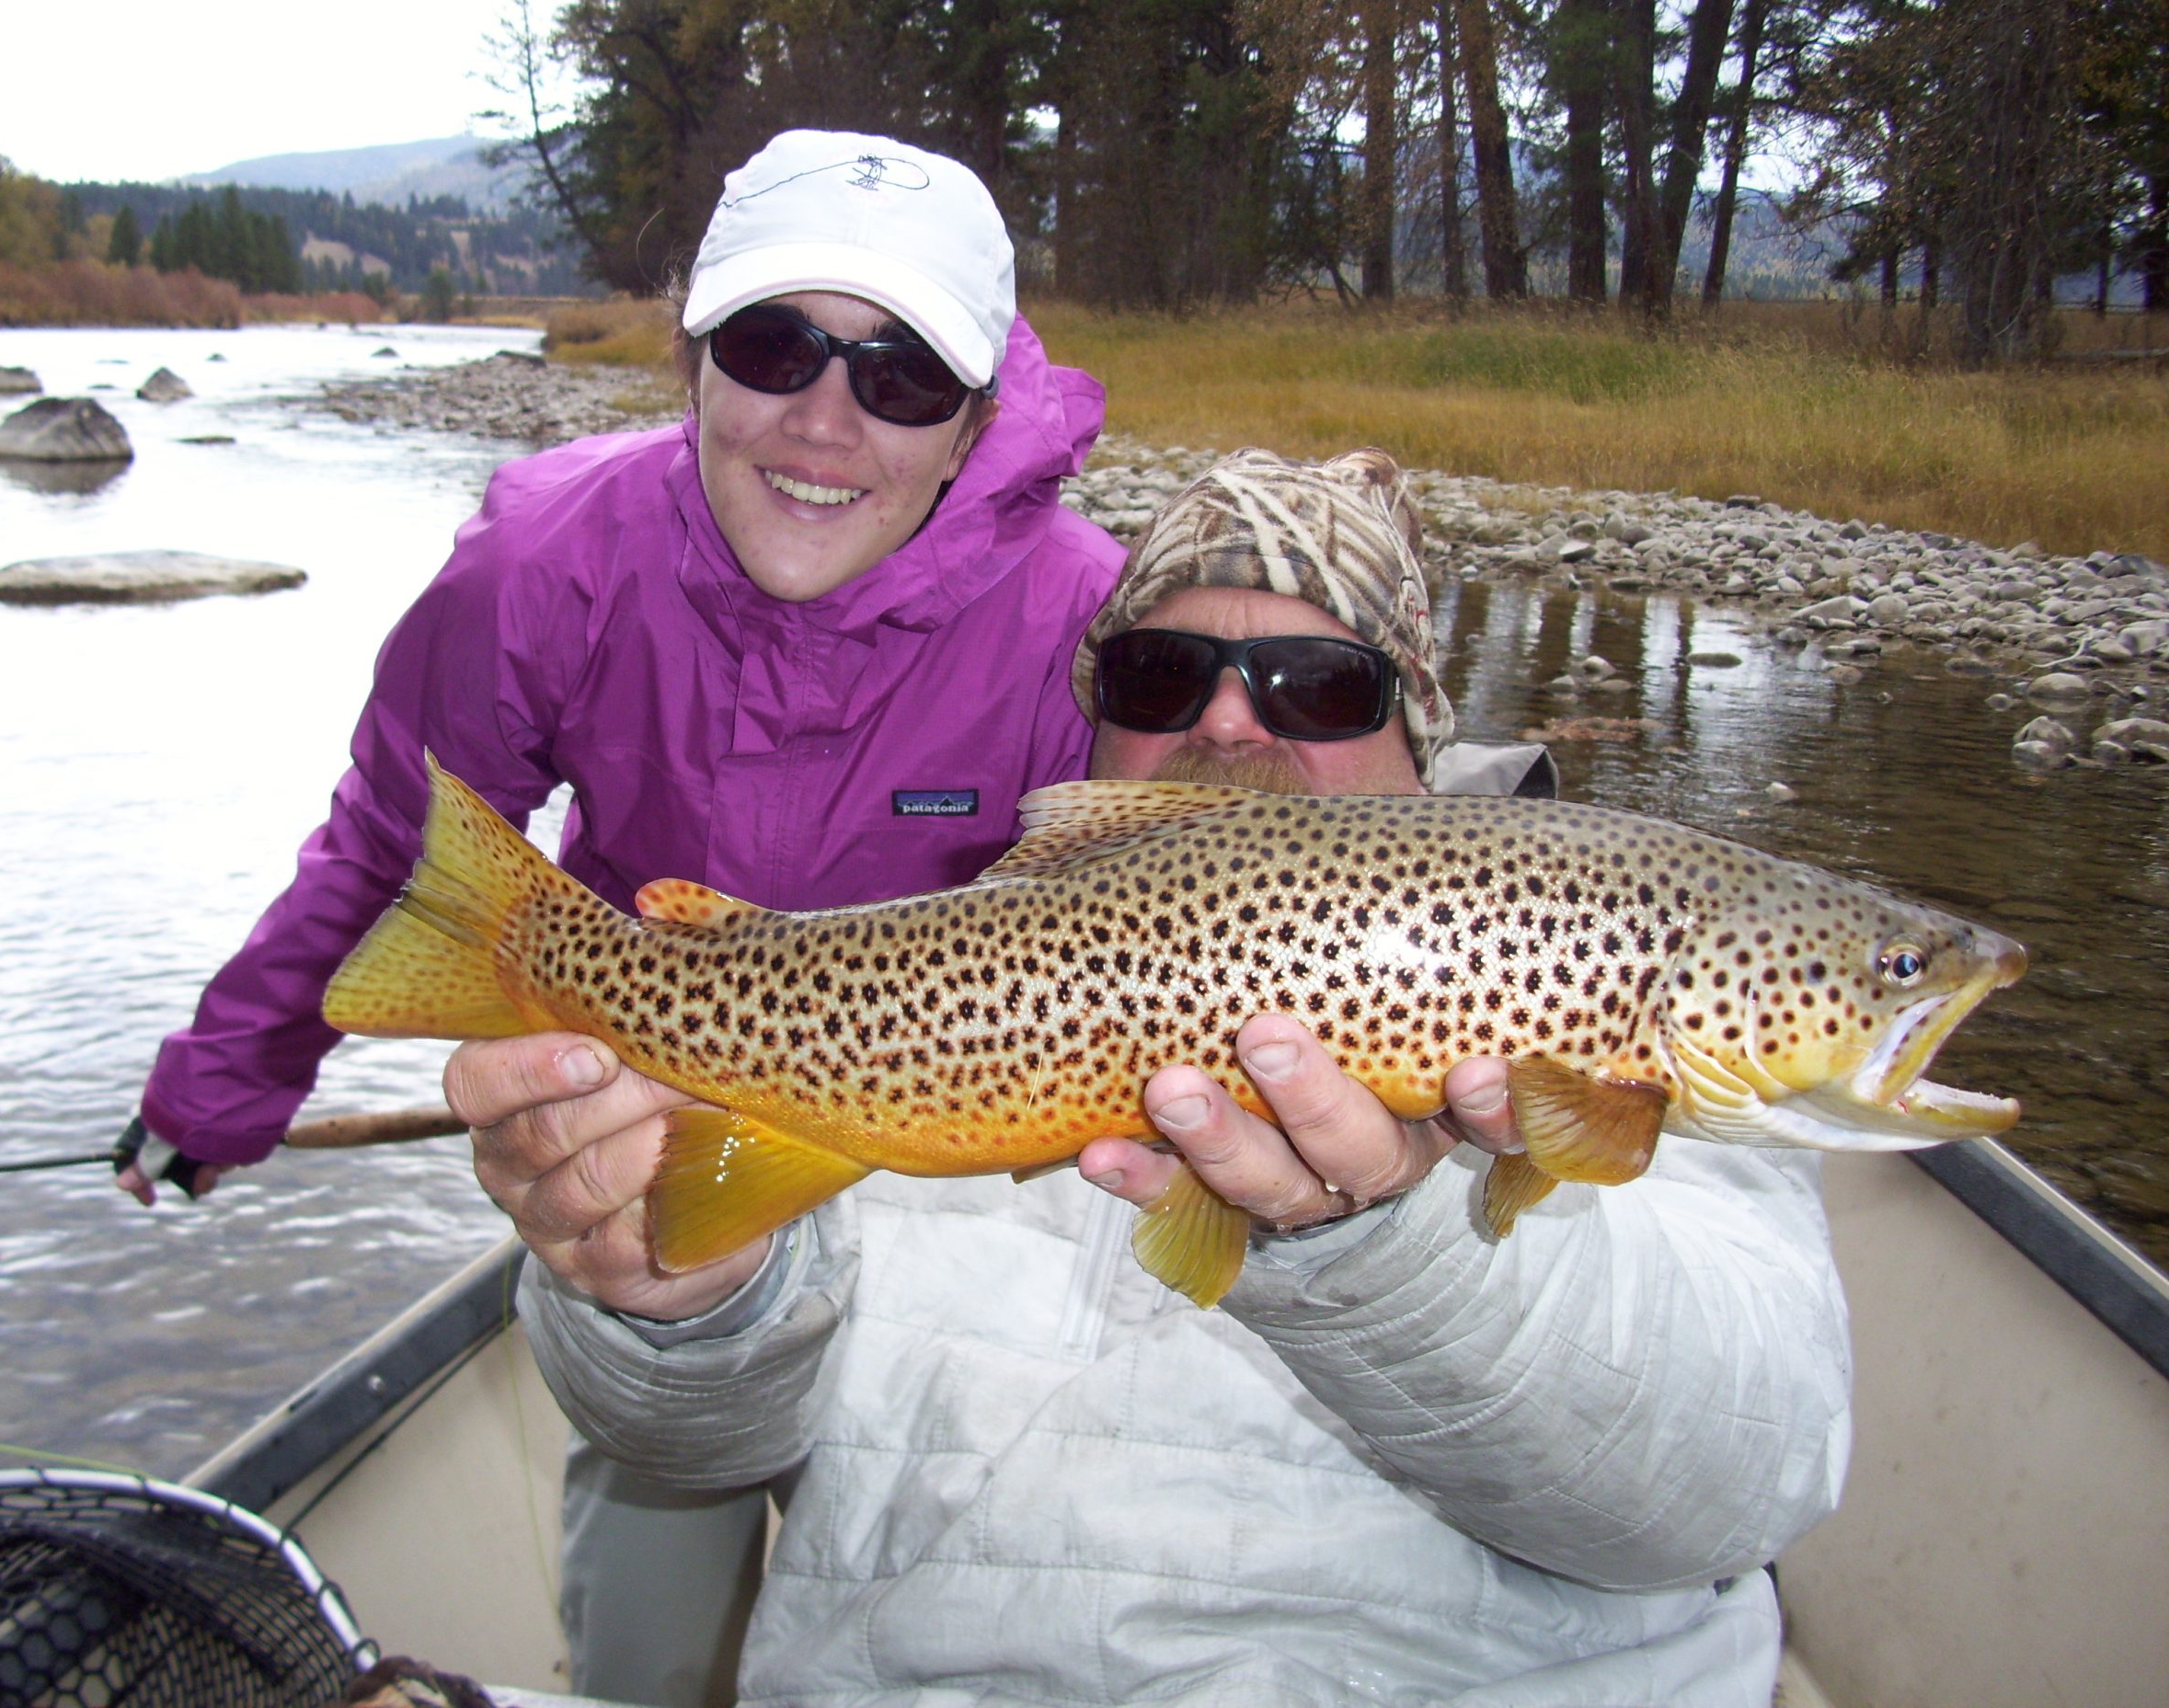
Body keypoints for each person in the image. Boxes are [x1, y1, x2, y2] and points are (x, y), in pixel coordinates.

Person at [456, 447, 1853, 1706]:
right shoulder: (929, 997)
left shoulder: (1601, 991)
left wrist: (1394, 1248)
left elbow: (1726, 1490)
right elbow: (693, 1441)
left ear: (1419, 747)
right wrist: (675, 1307)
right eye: (1160, 675)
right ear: (1097, 734)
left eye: (1320, 684)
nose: (1235, 728)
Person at [111, 129, 1130, 1698]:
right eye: (776, 344)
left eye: (902, 377)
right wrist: (224, 1088)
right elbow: (401, 846)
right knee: (646, 1626)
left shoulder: (1084, 617)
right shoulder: (539, 565)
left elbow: (1134, 927)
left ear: (974, 418)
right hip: (641, 1147)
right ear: (694, 358)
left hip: (957, 1167)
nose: (824, 421)